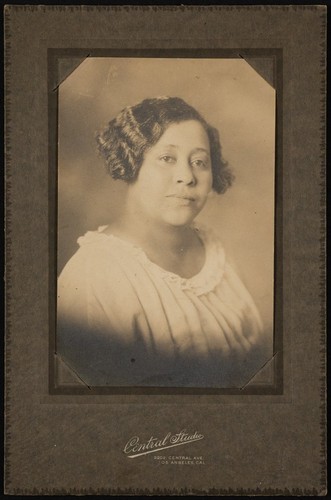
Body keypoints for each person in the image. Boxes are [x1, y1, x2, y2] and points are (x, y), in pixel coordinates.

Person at [57, 96, 271, 388]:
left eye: (199, 162)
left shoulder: (216, 253)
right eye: (167, 158)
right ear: (131, 161)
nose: (186, 177)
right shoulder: (95, 275)